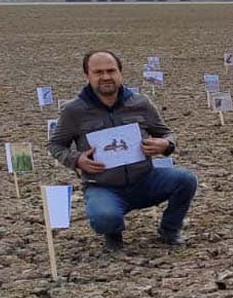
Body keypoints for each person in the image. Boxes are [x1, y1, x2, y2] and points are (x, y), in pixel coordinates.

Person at [47, 50, 198, 252]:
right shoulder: (74, 111)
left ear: (120, 73)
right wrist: (77, 160)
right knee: (105, 216)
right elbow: (55, 145)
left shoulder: (140, 103)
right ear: (87, 76)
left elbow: (168, 133)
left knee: (185, 179)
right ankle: (113, 232)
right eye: (98, 72)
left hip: (145, 180)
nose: (106, 77)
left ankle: (170, 229)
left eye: (111, 70)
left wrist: (165, 145)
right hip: (103, 186)